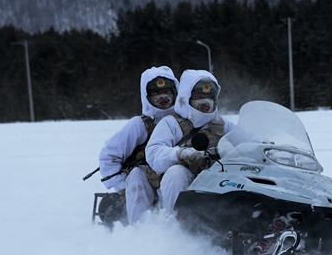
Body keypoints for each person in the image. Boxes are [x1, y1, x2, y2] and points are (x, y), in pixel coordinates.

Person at [98, 66, 179, 224]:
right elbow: (109, 156)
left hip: (176, 180)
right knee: (136, 175)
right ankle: (139, 231)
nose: (162, 97)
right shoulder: (139, 125)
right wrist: (124, 189)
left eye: (167, 91)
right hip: (146, 184)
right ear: (146, 95)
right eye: (155, 93)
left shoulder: (186, 121)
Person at [145, 69, 235, 212]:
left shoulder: (222, 125)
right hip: (186, 181)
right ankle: (173, 219)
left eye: (209, 96)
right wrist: (181, 154)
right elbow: (154, 153)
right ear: (186, 97)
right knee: (176, 173)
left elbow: (246, 139)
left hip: (217, 178)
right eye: (199, 96)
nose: (205, 101)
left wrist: (263, 146)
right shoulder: (171, 123)